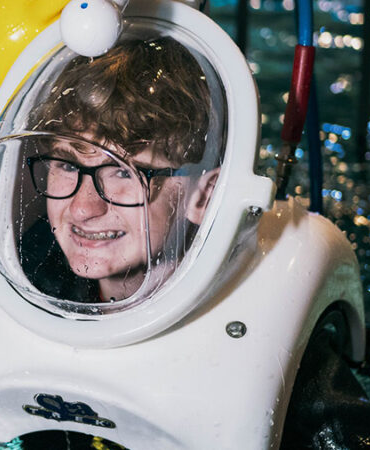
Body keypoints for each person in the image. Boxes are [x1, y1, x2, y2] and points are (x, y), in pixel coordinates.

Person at [16, 35, 222, 305]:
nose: (82, 209)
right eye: (67, 165)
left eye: (124, 172)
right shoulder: (29, 270)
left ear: (205, 196)